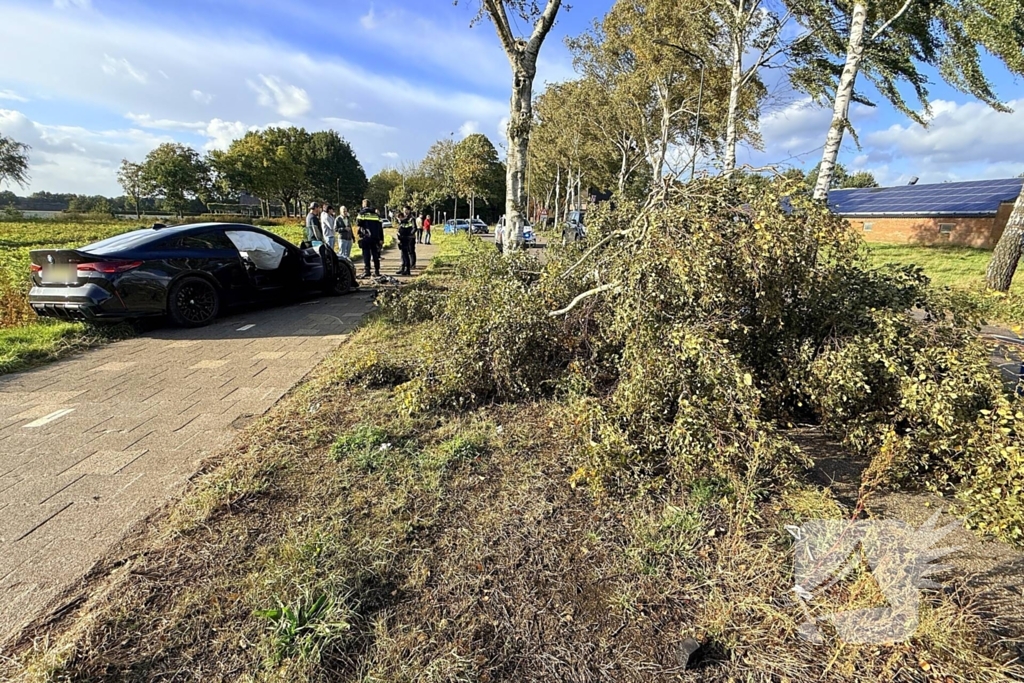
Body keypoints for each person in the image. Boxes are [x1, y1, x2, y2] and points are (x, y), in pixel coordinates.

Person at [356, 199, 384, 277]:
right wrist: (381, 238)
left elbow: (358, 223)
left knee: (366, 254)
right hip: (375, 237)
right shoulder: (376, 214)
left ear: (363, 205)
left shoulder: (362, 213)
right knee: (375, 254)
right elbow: (380, 227)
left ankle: (367, 270)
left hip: (366, 237)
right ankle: (377, 271)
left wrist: (360, 212)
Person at [396, 211, 416, 276]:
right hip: (403, 239)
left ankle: (407, 269)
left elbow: (411, 229)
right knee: (404, 255)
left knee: (406, 255)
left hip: (405, 239)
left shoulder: (407, 221)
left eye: (399, 218)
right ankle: (404, 269)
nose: (398, 219)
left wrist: (409, 235)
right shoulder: (404, 222)